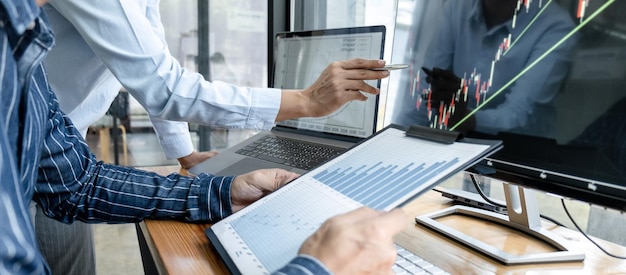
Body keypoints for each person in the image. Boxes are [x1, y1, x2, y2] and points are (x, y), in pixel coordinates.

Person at [0, 1, 408, 274]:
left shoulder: (26, 65)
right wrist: (315, 269)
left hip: (53, 150)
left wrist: (218, 190)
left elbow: (77, 184)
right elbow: (164, 86)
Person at [392, 0, 577, 136]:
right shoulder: (456, 7)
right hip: (456, 142)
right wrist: (396, 138)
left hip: (517, 157)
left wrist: (463, 118)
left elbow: (519, 114)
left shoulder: (556, 27)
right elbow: (426, 90)